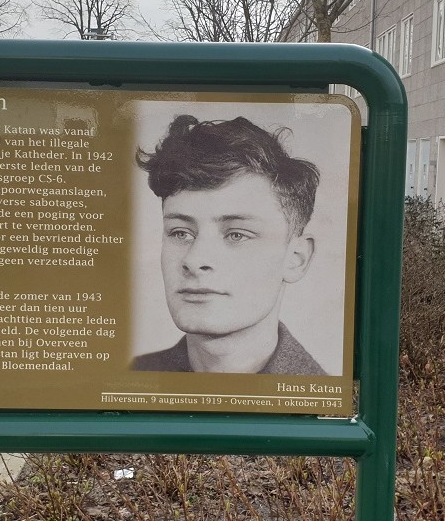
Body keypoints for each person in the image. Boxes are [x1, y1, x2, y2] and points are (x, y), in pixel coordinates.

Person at [131, 114, 326, 375]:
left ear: (296, 258)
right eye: (180, 233)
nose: (195, 260)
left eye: (236, 234)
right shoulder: (129, 378)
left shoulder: (320, 407)